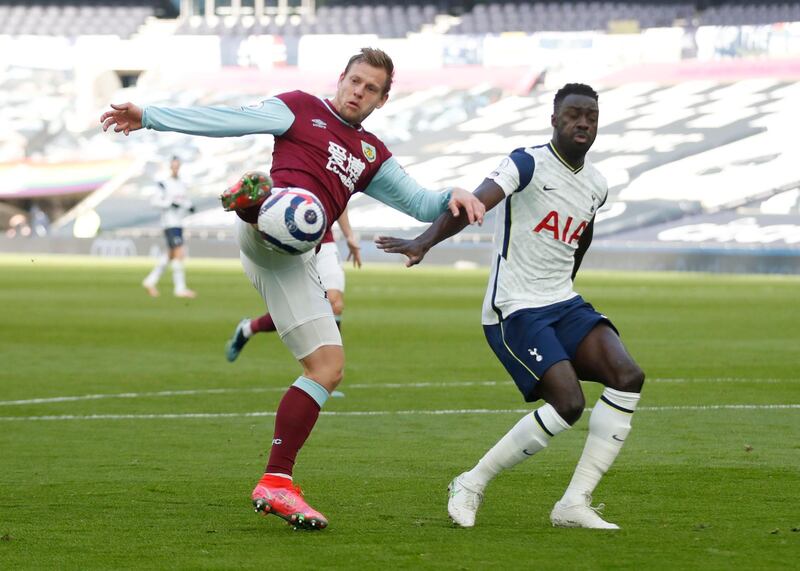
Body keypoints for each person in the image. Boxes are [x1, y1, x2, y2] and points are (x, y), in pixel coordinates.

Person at [101, 47, 484, 531]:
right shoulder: (300, 107)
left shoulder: (373, 156)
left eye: (371, 89)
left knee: (328, 368)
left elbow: (420, 202)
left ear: (383, 100)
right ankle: (253, 202)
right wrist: (151, 116)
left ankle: (276, 481)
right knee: (299, 209)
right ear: (340, 78)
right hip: (268, 231)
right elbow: (227, 119)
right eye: (355, 81)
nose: (358, 92)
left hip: (294, 262)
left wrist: (454, 193)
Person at [376, 83, 645, 530]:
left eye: (591, 117)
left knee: (628, 376)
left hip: (563, 301)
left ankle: (573, 504)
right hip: (515, 307)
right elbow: (472, 205)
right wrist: (423, 243)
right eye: (574, 114)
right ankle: (471, 482)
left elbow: (583, 238)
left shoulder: (597, 184)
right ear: (555, 120)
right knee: (569, 403)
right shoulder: (527, 162)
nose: (583, 123)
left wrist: (566, 286)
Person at [225, 208, 362, 362]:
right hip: (292, 243)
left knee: (334, 303)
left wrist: (349, 234)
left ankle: (328, 368)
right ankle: (248, 329)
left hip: (325, 242)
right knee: (295, 310)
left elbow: (340, 197)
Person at [141, 155, 197, 298]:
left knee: (170, 255)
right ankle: (180, 288)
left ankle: (150, 280)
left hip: (179, 223)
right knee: (179, 252)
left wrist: (190, 207)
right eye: (173, 166)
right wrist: (168, 204)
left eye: (177, 166)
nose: (175, 168)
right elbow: (154, 201)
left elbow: (185, 201)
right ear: (170, 167)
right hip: (169, 223)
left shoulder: (182, 184)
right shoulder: (163, 184)